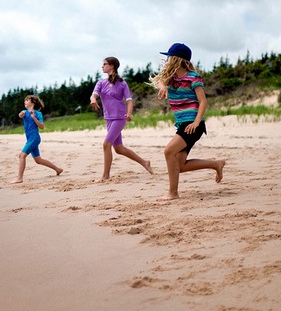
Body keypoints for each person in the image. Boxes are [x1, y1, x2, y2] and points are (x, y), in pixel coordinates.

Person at [150, 43, 225, 200]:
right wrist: (163, 86)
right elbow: (159, 81)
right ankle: (216, 164)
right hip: (183, 124)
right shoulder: (171, 79)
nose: (167, 60)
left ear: (177, 59)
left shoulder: (193, 77)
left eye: (169, 57)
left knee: (168, 151)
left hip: (193, 124)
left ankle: (173, 193)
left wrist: (197, 122)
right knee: (180, 165)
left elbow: (203, 102)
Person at [90, 57, 153, 181]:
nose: (102, 66)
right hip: (108, 118)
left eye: (104, 64)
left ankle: (105, 176)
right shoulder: (101, 82)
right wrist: (93, 99)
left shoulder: (122, 83)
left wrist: (129, 113)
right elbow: (95, 94)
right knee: (119, 149)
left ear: (112, 66)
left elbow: (129, 100)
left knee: (106, 144)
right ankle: (145, 163)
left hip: (119, 117)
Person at [11, 95, 63, 184]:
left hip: (34, 138)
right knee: (38, 160)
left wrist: (34, 117)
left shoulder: (38, 114)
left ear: (33, 102)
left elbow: (42, 126)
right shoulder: (24, 112)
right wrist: (21, 114)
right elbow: (20, 115)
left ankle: (19, 178)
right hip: (30, 139)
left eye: (27, 100)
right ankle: (58, 169)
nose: (25, 102)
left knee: (21, 155)